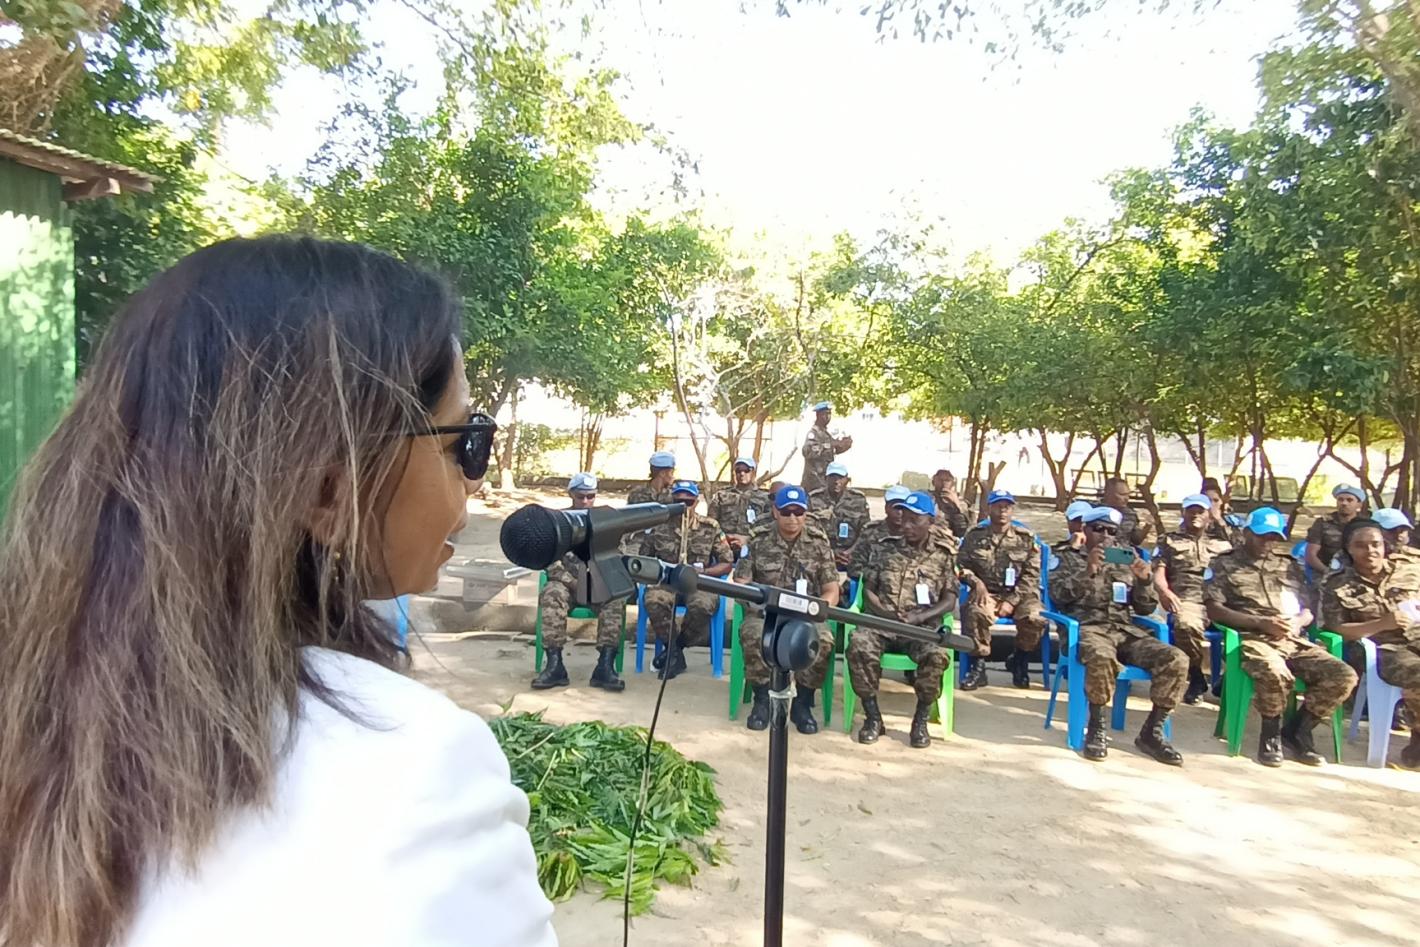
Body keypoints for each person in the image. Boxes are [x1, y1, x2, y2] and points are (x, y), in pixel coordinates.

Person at [0, 236, 556, 947]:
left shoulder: (42, 720)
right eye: (462, 443)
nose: (472, 480)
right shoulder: (417, 773)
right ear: (327, 488)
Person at [1206, 507, 1358, 767]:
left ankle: (1299, 730)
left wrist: (1298, 622)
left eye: (1274, 537)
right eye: (1262, 536)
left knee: (1343, 675)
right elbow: (1214, 610)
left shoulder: (1288, 566)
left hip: (1292, 639)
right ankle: (1271, 734)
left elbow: (1308, 609)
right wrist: (1261, 623)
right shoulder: (1224, 564)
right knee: (1275, 671)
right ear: (1246, 533)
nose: (1268, 542)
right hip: (1252, 639)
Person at [1049, 507, 1187, 765]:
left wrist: (1144, 581)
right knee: (1101, 655)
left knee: (1176, 658)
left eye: (1111, 531)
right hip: (1086, 629)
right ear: (1085, 529)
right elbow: (1057, 597)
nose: (1105, 536)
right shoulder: (1066, 556)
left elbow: (1145, 608)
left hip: (1124, 630)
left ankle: (1152, 731)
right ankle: (1097, 726)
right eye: (1098, 529)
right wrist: (1087, 570)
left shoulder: (1126, 558)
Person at [847, 492, 958, 749]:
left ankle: (920, 720)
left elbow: (950, 599)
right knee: (859, 644)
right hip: (883, 624)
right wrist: (884, 613)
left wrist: (921, 616)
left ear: (930, 522)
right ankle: (873, 717)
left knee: (936, 655)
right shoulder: (884, 547)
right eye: (904, 518)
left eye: (914, 520)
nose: (906, 525)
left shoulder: (943, 555)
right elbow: (868, 589)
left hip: (920, 627)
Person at [733, 485, 841, 734]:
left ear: (805, 513)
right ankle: (762, 699)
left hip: (806, 614)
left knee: (824, 639)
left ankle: (802, 702)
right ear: (775, 511)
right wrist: (755, 602)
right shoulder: (758, 539)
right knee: (752, 634)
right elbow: (741, 583)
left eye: (798, 512)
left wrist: (817, 610)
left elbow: (831, 590)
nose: (793, 518)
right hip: (765, 613)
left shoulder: (818, 542)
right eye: (786, 512)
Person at [1319, 519, 1420, 770]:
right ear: (1349, 549)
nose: (1370, 551)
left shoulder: (1411, 569)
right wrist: (1381, 624)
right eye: (1361, 546)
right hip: (1384, 649)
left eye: (1375, 544)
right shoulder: (1337, 584)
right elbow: (1335, 630)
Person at [531, 473, 627, 693]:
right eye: (580, 496)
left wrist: (597, 581)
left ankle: (605, 666)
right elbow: (550, 562)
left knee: (615, 598)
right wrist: (573, 582)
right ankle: (555, 665)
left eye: (590, 496)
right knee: (552, 594)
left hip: (598, 585)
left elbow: (617, 558)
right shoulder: (558, 522)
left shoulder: (607, 523)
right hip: (567, 584)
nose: (585, 501)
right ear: (571, 494)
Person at [638, 480, 734, 680]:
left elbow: (726, 563)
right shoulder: (658, 526)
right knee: (654, 601)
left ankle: (675, 649)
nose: (684, 506)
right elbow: (644, 559)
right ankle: (675, 654)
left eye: (688, 502)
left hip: (699, 582)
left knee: (703, 605)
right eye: (678, 501)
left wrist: (705, 572)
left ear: (696, 502)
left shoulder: (710, 527)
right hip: (667, 582)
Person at [957, 490, 1046, 690]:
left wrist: (1011, 601)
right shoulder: (974, 536)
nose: (1002, 511)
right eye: (998, 506)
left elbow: (1031, 576)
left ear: (1012, 510)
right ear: (989, 508)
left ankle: (1020, 660)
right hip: (987, 591)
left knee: (1035, 617)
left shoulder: (1026, 538)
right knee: (974, 611)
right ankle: (978, 666)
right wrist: (976, 583)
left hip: (1021, 594)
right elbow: (959, 566)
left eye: (1007, 506)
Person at [1153, 493, 1234, 704]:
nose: (1195, 515)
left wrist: (1220, 520)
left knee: (1253, 628)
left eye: (1201, 511)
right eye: (1191, 511)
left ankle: (1228, 679)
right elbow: (1159, 573)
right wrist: (1165, 592)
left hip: (1221, 601)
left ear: (1209, 514)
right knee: (1186, 625)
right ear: (1183, 513)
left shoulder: (1223, 543)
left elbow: (1243, 562)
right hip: (1188, 600)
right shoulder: (1169, 540)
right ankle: (1197, 676)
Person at [809, 462, 871, 569]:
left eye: (840, 478)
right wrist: (829, 553)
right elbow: (808, 529)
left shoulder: (858, 499)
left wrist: (850, 552)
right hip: (821, 554)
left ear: (847, 480)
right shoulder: (814, 498)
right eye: (832, 477)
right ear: (825, 479)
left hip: (851, 555)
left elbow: (865, 531)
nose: (836, 481)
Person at [707, 456, 771, 556]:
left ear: (753, 472)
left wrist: (748, 539)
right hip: (723, 547)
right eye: (738, 470)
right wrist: (723, 538)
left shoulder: (765, 498)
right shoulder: (721, 495)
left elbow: (769, 525)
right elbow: (711, 522)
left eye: (746, 470)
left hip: (753, 548)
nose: (742, 473)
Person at [847, 485, 912, 580]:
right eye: (895, 507)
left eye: (903, 508)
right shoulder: (870, 532)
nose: (899, 512)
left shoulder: (915, 535)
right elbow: (854, 567)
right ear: (886, 508)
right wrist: (882, 577)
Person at [1305, 484, 1367, 577]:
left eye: (1349, 500)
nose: (1344, 503)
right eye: (1340, 499)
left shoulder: (1365, 524)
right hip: (1326, 571)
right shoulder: (1322, 522)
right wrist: (1328, 573)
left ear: (1359, 504)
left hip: (1358, 574)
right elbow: (1311, 554)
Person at [800, 401, 852, 495]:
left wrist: (844, 445)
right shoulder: (813, 433)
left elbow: (832, 451)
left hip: (825, 479)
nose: (828, 417)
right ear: (818, 415)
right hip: (814, 480)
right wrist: (830, 445)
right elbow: (807, 451)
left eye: (829, 414)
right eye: (825, 414)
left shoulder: (826, 434)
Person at [1102, 476, 1154, 548]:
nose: (1126, 498)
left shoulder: (1130, 514)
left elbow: (1136, 540)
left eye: (1127, 495)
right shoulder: (1094, 512)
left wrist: (1148, 525)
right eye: (1122, 494)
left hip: (1123, 552)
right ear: (1108, 494)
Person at [1201, 477, 1244, 545]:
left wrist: (1220, 521)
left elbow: (1239, 543)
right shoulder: (1195, 520)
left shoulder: (1231, 522)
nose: (1211, 504)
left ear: (1221, 501)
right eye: (1207, 500)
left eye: (1215, 500)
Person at [930, 468, 970, 537]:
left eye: (947, 480)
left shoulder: (961, 503)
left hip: (951, 538)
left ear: (952, 484)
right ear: (933, 482)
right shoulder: (927, 498)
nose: (943, 483)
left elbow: (963, 530)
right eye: (940, 480)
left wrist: (956, 505)